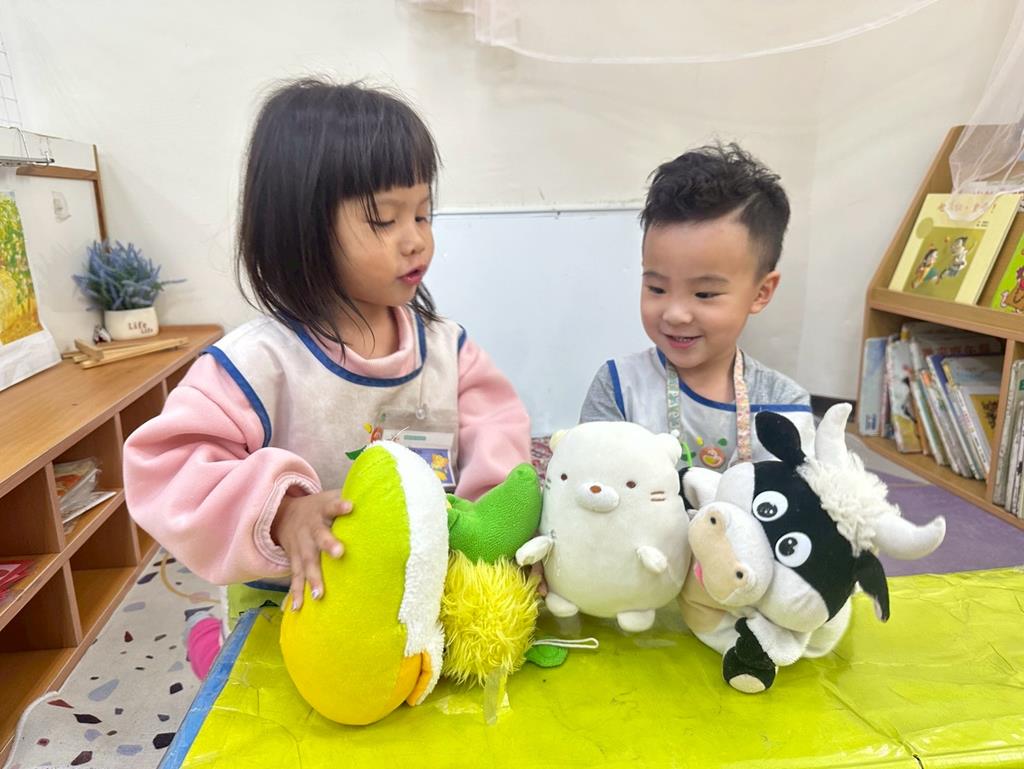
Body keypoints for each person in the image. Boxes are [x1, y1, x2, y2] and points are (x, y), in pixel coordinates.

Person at [124, 78, 531, 676]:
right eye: (384, 219)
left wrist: (484, 536)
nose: (416, 240)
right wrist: (282, 513)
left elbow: (500, 442)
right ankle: (210, 637)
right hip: (290, 606)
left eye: (422, 213)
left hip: (415, 600)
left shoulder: (448, 350)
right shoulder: (258, 364)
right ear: (302, 228)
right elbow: (167, 469)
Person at [579, 142, 814, 472]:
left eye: (704, 294)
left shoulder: (783, 403)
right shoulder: (619, 386)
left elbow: (790, 496)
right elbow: (586, 479)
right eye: (657, 288)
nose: (675, 314)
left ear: (761, 292)